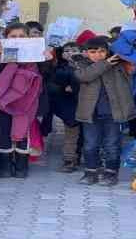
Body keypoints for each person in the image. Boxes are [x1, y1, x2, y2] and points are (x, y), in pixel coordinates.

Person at [74, 33, 136, 186]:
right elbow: (85, 76)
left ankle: (110, 173)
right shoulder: (82, 65)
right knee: (90, 144)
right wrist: (106, 63)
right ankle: (91, 172)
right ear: (86, 53)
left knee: (112, 144)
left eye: (101, 51)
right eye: (93, 52)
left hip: (114, 113)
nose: (98, 55)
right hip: (90, 114)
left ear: (108, 51)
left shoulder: (121, 65)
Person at [0, 23, 51, 178]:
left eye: (21, 36)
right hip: (4, 101)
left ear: (28, 38)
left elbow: (46, 75)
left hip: (27, 101)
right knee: (4, 131)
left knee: (24, 131)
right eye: (13, 36)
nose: (17, 40)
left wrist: (47, 60)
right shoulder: (1, 52)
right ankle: (5, 167)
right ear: (6, 38)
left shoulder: (36, 53)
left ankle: (22, 168)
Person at [47, 42, 81, 172]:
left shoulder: (88, 66)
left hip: (87, 106)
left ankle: (83, 159)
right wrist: (63, 87)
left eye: (74, 50)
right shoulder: (58, 67)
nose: (70, 53)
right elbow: (52, 84)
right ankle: (69, 161)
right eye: (66, 50)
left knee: (87, 136)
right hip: (69, 108)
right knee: (71, 135)